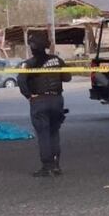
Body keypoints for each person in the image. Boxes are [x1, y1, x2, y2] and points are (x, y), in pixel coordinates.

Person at [17, 31, 70, 177]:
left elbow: (21, 81)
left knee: (43, 135)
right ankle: (56, 166)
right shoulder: (57, 60)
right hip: (57, 100)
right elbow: (67, 77)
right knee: (54, 133)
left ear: (32, 47)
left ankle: (47, 166)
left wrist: (29, 96)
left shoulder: (27, 64)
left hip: (39, 101)